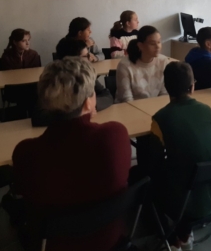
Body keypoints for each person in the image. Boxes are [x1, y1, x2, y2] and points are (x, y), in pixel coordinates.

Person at [12, 58, 131, 251]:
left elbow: (27, 196)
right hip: (109, 240)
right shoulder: (115, 135)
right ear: (87, 103)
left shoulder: (26, 153)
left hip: (54, 244)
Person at [146, 62, 211, 250]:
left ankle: (170, 240)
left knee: (146, 181)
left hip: (188, 202)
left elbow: (153, 163)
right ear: (192, 86)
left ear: (166, 87)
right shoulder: (207, 110)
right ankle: (184, 235)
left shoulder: (160, 118)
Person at [55, 38, 113, 112]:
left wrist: (89, 104)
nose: (90, 58)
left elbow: (107, 96)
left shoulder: (85, 74)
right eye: (86, 56)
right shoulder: (55, 80)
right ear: (73, 60)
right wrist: (86, 105)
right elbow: (41, 115)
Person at [115, 25, 169, 103]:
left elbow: (164, 93)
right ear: (140, 46)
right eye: (152, 43)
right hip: (129, 109)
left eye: (159, 42)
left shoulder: (163, 61)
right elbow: (127, 99)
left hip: (154, 108)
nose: (158, 46)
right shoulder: (125, 65)